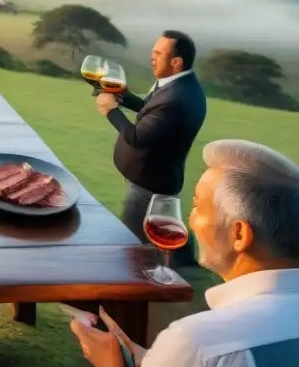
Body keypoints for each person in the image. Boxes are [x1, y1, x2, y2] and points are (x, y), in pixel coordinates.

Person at [71, 139, 299, 366]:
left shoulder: (198, 342)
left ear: (239, 235)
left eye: (198, 206)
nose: (190, 219)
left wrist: (110, 363)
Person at [96, 30, 206, 266]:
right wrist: (123, 96)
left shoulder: (175, 98)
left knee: (129, 245)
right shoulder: (179, 84)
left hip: (148, 183)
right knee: (165, 224)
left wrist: (111, 110)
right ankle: (184, 262)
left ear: (176, 62)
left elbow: (138, 137)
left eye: (158, 53)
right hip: (161, 178)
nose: (152, 57)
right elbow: (150, 110)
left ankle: (122, 291)